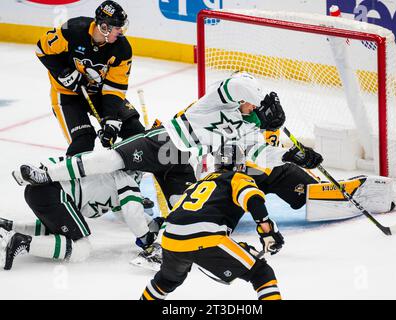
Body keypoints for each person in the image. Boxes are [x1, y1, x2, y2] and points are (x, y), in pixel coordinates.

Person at [13, 72, 323, 209]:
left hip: (181, 163)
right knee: (107, 160)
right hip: (161, 143)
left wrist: (294, 157)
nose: (252, 110)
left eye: (257, 110)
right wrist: (261, 98)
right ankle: (46, 172)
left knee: (183, 211)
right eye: (253, 105)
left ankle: (155, 246)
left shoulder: (247, 128)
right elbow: (237, 83)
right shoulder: (216, 100)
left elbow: (263, 154)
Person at [141, 145, 284, 300]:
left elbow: (186, 216)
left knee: (166, 280)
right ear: (241, 164)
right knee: (261, 273)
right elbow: (253, 200)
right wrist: (267, 231)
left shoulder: (197, 183)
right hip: (207, 238)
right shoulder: (237, 178)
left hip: (170, 238)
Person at [1, 156, 163, 270]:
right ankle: (21, 242)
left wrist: (150, 222)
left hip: (38, 190)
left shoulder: (109, 162)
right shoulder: (128, 180)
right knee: (81, 247)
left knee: (57, 226)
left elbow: (123, 210)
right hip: (56, 194)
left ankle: (10, 227)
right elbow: (132, 213)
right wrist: (146, 237)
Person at [36, 0, 145, 156]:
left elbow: (115, 87)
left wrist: (110, 119)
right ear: (104, 27)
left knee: (135, 131)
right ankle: (63, 178)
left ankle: (127, 175)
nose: (121, 32)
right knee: (84, 141)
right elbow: (42, 49)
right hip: (67, 96)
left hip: (100, 94)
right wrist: (64, 73)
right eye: (117, 28)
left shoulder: (122, 49)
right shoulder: (73, 30)